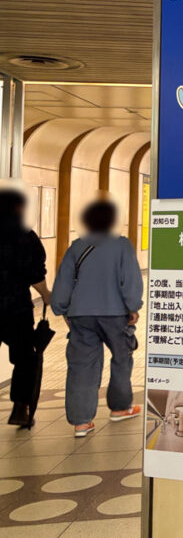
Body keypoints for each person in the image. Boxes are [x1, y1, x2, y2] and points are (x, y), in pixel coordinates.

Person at [51, 199, 143, 437]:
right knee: (122, 358)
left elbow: (63, 283)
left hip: (81, 315)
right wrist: (133, 306)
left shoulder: (76, 247)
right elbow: (130, 279)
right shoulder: (122, 246)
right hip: (115, 313)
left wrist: (61, 308)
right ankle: (120, 408)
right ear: (112, 221)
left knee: (82, 366)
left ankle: (81, 422)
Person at [0, 183, 51, 427]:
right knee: (24, 358)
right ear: (19, 207)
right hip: (15, 309)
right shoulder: (24, 235)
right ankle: (20, 408)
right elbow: (34, 272)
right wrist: (47, 294)